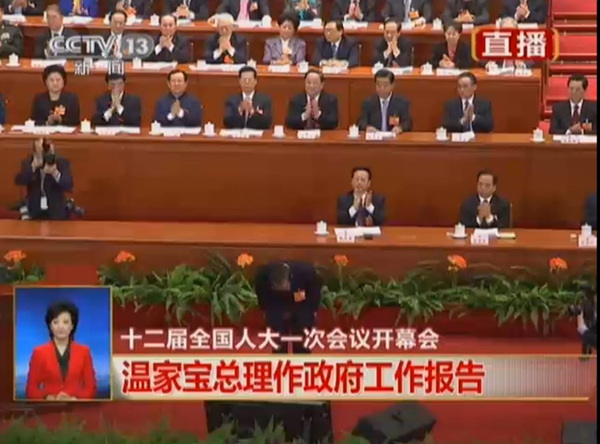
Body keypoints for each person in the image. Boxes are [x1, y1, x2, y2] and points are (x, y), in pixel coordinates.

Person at [26, 301, 96, 400]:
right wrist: (47, 398)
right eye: (56, 322)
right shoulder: (39, 352)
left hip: (76, 406)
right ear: (50, 326)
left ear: (72, 325)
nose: (61, 327)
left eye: (66, 322)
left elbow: (91, 387)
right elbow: (31, 388)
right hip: (48, 407)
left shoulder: (84, 351)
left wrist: (74, 399)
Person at [254, 261, 322, 354]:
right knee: (278, 328)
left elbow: (314, 292)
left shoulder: (306, 273)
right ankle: (280, 354)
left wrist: (313, 310)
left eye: (285, 286)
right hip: (276, 300)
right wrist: (265, 309)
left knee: (302, 325)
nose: (284, 290)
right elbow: (262, 294)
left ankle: (301, 352)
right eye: (279, 288)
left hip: (301, 300)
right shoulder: (263, 275)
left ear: (290, 279)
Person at [15, 138, 73, 221]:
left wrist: (55, 173)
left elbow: (69, 185)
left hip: (56, 211)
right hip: (34, 210)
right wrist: (33, 167)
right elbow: (20, 181)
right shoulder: (28, 162)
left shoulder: (61, 162)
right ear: (35, 152)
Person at [358, 69, 412, 134]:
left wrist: (400, 128)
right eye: (378, 85)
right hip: (375, 138)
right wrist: (367, 127)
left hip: (394, 138)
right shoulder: (368, 102)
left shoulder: (401, 102)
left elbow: (408, 123)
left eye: (385, 85)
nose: (382, 88)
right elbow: (361, 122)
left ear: (392, 85)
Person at [577, 287, 597, 355]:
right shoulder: (586, 304)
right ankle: (585, 353)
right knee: (587, 338)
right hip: (589, 323)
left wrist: (583, 330)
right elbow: (583, 313)